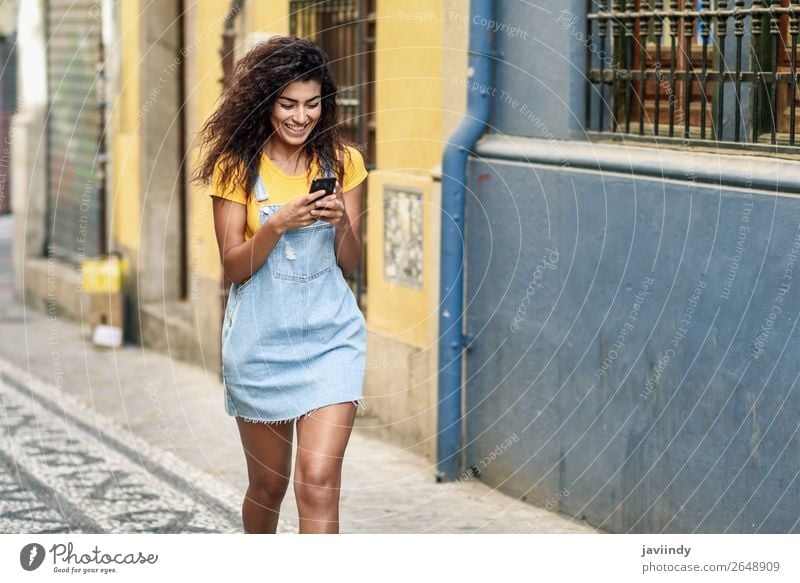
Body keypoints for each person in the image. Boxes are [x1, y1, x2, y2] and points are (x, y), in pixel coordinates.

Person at [194, 36, 368, 534]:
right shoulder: (236, 168)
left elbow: (350, 264)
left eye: (311, 104)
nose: (300, 116)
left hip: (331, 339)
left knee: (316, 480)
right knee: (269, 487)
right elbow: (234, 267)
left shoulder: (344, 163)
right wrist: (275, 225)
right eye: (287, 104)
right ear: (264, 102)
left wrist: (339, 224)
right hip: (260, 345)